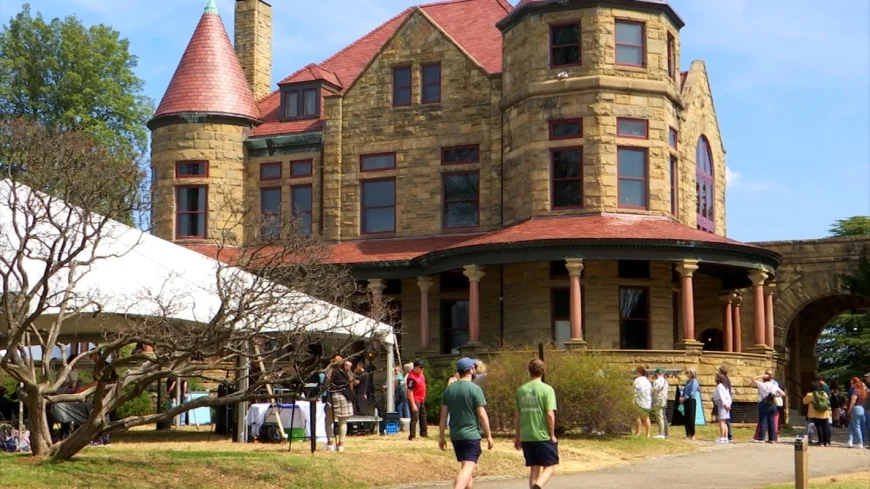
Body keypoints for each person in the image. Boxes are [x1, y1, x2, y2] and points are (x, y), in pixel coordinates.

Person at [439, 357, 494, 489]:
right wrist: (489, 436)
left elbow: (443, 415)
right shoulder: (474, 389)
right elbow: (482, 414)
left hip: (456, 435)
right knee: (468, 468)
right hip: (471, 435)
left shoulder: (449, 390)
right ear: (470, 370)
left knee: (465, 467)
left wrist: (441, 436)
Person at [514, 359, 559, 489]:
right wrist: (552, 434)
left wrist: (518, 437)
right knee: (550, 467)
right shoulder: (547, 390)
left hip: (527, 436)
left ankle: (534, 485)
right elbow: (549, 414)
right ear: (543, 371)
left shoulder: (521, 390)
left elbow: (517, 415)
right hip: (542, 435)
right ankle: (538, 486)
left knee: (534, 468)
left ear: (529, 371)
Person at [325, 357, 356, 452]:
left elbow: (326, 383)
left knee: (328, 421)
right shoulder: (346, 372)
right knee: (343, 422)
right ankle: (341, 445)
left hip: (334, 396)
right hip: (346, 396)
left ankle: (330, 443)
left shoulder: (330, 371)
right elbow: (352, 382)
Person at [752, 371, 784, 443]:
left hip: (763, 403)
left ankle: (762, 438)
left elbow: (753, 379)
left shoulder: (762, 385)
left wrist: (761, 375)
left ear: (764, 379)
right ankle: (772, 438)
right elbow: (783, 394)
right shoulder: (774, 386)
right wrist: (776, 396)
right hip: (772, 404)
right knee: (772, 421)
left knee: (763, 420)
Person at [802, 381, 831, 447]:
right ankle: (827, 442)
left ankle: (821, 442)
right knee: (826, 427)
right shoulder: (824, 393)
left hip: (816, 413)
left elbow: (804, 402)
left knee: (819, 427)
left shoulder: (810, 394)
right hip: (825, 413)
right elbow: (827, 401)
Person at [407, 359, 428, 440]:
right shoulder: (411, 378)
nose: (422, 369)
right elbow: (409, 391)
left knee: (423, 415)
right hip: (415, 399)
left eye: (423, 367)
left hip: (421, 398)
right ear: (415, 368)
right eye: (420, 367)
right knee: (414, 417)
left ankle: (424, 432)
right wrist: (413, 404)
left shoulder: (421, 374)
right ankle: (412, 435)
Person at [846, 376, 867, 449]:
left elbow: (853, 401)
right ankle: (850, 441)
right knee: (851, 425)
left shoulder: (856, 391)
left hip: (856, 408)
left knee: (856, 426)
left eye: (852, 383)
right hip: (862, 409)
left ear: (855, 383)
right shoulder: (863, 391)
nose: (851, 384)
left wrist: (849, 410)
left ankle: (860, 442)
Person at [679, 369, 699, 440]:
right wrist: (682, 397)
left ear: (692, 373)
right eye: (686, 372)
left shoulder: (694, 381)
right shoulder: (687, 382)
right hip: (686, 400)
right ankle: (688, 434)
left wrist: (684, 398)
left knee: (691, 418)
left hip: (691, 401)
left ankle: (692, 434)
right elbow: (685, 391)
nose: (686, 374)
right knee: (686, 417)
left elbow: (692, 393)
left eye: (688, 372)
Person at [632, 367, 652, 437]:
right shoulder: (648, 381)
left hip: (639, 400)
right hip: (647, 402)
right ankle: (648, 433)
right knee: (646, 417)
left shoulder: (637, 380)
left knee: (637, 417)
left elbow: (634, 390)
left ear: (639, 373)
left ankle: (638, 432)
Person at [713, 373, 732, 443]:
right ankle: (725, 437)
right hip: (727, 404)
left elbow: (721, 397)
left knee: (721, 422)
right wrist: (729, 404)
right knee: (724, 422)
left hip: (722, 405)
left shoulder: (719, 386)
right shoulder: (725, 386)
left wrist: (725, 404)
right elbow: (729, 396)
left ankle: (722, 437)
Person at [651, 368, 669, 439]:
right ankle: (666, 433)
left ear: (657, 373)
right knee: (664, 417)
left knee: (659, 416)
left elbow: (653, 391)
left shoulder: (656, 381)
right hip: (664, 400)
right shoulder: (665, 381)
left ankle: (661, 433)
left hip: (658, 400)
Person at [718, 365, 733, 441]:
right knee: (725, 420)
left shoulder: (723, 382)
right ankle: (726, 436)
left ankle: (725, 436)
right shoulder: (727, 380)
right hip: (727, 402)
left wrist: (726, 404)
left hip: (724, 404)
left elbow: (722, 395)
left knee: (723, 421)